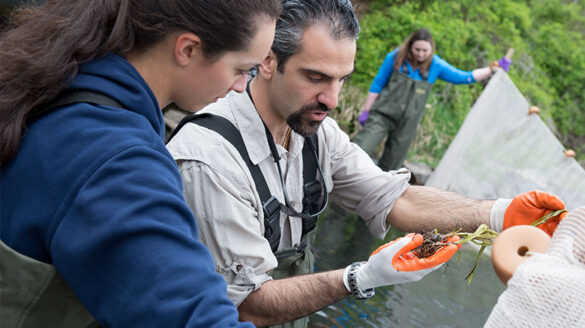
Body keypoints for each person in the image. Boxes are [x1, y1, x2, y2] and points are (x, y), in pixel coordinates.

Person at [166, 1, 564, 327]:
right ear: (268, 60)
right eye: (317, 77)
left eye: (342, 80)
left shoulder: (317, 133)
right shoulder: (210, 159)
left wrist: (500, 214)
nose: (332, 99)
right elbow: (246, 306)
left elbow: (398, 200)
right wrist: (363, 277)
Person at [0, 0, 280, 327]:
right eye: (241, 69)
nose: (241, 87)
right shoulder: (118, 164)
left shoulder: (50, 81)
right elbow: (196, 317)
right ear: (188, 49)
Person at [352, 28, 511, 171]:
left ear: (431, 49)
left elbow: (464, 77)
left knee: (391, 167)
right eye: (417, 49)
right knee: (359, 149)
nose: (420, 54)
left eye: (425, 51)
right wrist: (367, 110)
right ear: (410, 46)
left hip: (407, 125)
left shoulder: (436, 65)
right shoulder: (395, 57)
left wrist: (491, 70)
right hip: (382, 116)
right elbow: (377, 84)